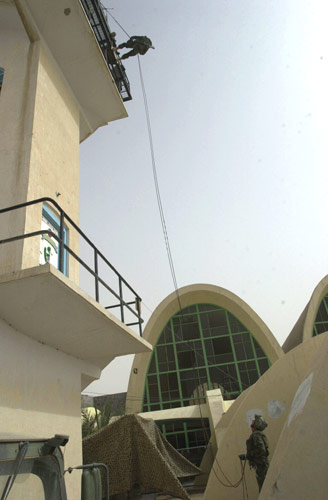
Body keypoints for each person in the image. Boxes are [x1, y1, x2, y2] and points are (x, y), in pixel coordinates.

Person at [239, 414, 269, 492]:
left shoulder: (256, 435)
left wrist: (249, 455)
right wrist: (246, 456)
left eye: (253, 424)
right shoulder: (258, 434)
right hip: (261, 463)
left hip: (261, 464)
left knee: (262, 486)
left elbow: (261, 450)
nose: (251, 425)